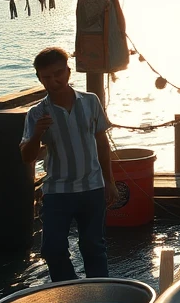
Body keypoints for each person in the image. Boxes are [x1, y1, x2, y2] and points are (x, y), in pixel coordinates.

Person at [20, 47, 118, 281]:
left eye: (59, 73)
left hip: (92, 186)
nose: (54, 81)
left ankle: (99, 292)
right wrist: (36, 135)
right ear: (39, 78)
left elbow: (102, 143)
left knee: (94, 246)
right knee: (52, 248)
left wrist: (110, 182)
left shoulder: (90, 101)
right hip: (57, 189)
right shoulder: (36, 113)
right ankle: (68, 290)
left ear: (68, 70)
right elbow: (26, 156)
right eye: (47, 77)